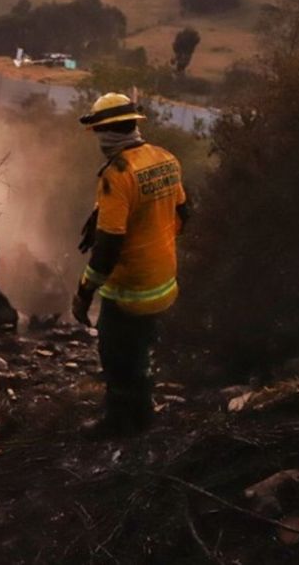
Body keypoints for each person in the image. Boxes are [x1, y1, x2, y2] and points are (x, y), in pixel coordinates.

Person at [71, 94, 189, 438]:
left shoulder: (115, 175)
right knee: (142, 354)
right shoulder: (165, 158)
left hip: (131, 290)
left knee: (117, 356)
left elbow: (107, 246)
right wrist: (154, 241)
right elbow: (183, 214)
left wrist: (84, 292)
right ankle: (144, 418)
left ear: (104, 132)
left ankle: (119, 425)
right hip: (165, 282)